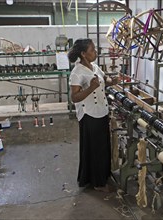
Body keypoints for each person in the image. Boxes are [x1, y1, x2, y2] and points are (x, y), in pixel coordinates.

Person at [68, 38, 118, 192]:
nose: (95, 52)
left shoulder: (95, 67)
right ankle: (97, 183)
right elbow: (74, 98)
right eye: (92, 50)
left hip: (102, 111)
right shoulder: (77, 72)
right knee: (94, 149)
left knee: (103, 147)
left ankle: (102, 175)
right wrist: (91, 88)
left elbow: (104, 80)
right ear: (83, 54)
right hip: (89, 114)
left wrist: (113, 80)